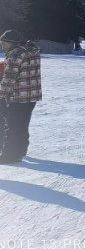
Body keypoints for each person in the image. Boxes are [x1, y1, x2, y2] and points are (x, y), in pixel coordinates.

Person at [0, 30, 42, 164]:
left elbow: (10, 77)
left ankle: (8, 156)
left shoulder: (15, 53)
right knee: (23, 124)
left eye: (3, 43)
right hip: (32, 95)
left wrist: (1, 94)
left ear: (11, 43)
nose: (2, 46)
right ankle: (20, 151)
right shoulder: (32, 50)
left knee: (12, 125)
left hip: (18, 95)